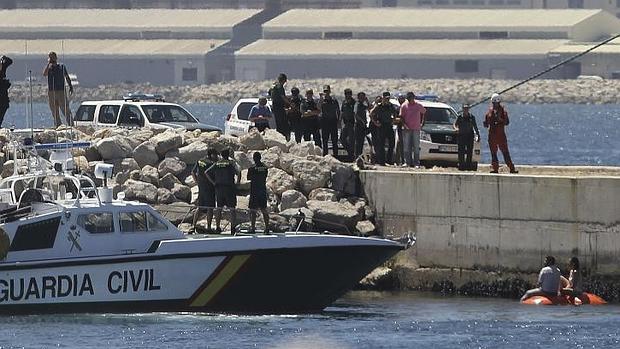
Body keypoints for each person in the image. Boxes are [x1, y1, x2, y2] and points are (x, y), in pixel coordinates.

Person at [484, 93, 517, 174]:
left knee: (505, 152)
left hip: (499, 135)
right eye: (494, 103)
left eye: (496, 103)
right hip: (493, 135)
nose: (495, 104)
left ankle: (511, 168)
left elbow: (506, 122)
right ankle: (496, 168)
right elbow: (486, 123)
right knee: (494, 153)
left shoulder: (502, 112)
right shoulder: (490, 112)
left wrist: (500, 119)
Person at [43, 51, 74, 128]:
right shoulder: (49, 68)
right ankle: (58, 125)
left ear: (56, 58)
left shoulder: (61, 66)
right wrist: (48, 64)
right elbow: (44, 74)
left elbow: (67, 77)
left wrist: (70, 86)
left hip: (61, 90)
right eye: (50, 57)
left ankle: (71, 125)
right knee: (54, 110)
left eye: (52, 57)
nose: (51, 59)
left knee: (65, 109)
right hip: (51, 91)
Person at [191, 148, 218, 234]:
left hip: (201, 188)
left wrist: (197, 182)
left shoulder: (200, 161)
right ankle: (209, 227)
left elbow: (193, 172)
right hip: (210, 188)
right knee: (210, 208)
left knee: (199, 207)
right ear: (212, 155)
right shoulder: (211, 163)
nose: (217, 156)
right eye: (215, 155)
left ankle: (193, 226)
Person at [213, 148, 241, 234]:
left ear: (221, 155)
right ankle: (233, 228)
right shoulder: (231, 163)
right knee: (232, 208)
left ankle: (217, 227)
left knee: (219, 208)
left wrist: (213, 182)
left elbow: (207, 172)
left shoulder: (217, 163)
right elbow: (238, 172)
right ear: (228, 155)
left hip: (219, 188)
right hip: (229, 188)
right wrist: (238, 183)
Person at [399, 92, 426, 168]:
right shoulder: (404, 106)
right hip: (407, 129)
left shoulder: (418, 105)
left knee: (416, 147)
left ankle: (416, 163)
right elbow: (401, 117)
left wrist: (422, 122)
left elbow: (424, 112)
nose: (411, 99)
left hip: (416, 128)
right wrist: (404, 125)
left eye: (411, 97)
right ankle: (407, 162)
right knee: (407, 147)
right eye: (409, 98)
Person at [370, 92, 397, 165]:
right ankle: (382, 161)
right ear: (383, 98)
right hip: (381, 126)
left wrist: (393, 120)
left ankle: (389, 160)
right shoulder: (379, 106)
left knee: (392, 143)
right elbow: (371, 113)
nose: (387, 99)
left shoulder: (391, 106)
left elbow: (395, 113)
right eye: (386, 98)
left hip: (389, 125)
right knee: (381, 144)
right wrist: (375, 122)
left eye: (388, 98)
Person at [247, 152, 270, 234]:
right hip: (262, 189)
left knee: (253, 210)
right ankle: (267, 228)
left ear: (254, 158)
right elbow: (265, 176)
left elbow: (248, 177)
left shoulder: (252, 168)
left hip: (254, 190)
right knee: (264, 209)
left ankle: (253, 228)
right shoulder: (265, 167)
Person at [454, 104, 480, 171]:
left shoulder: (471, 117)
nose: (465, 110)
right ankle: (461, 165)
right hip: (461, 136)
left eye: (467, 108)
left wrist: (478, 135)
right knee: (461, 151)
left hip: (470, 136)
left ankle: (468, 165)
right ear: (462, 109)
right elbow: (455, 124)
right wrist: (456, 129)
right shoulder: (459, 117)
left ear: (468, 109)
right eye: (464, 108)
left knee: (469, 151)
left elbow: (475, 127)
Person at [319, 85, 340, 157]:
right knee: (325, 140)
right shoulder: (322, 101)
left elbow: (338, 111)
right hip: (325, 122)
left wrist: (338, 121)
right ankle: (325, 156)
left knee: (334, 141)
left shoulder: (334, 100)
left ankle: (336, 156)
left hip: (333, 122)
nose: (326, 93)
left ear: (330, 91)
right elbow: (318, 108)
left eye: (327, 91)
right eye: (325, 91)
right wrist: (321, 99)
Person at [269, 73, 290, 140]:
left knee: (279, 123)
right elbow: (283, 97)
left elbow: (269, 92)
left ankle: (280, 136)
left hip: (275, 105)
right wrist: (289, 103)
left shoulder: (273, 85)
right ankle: (283, 137)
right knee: (283, 123)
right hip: (279, 106)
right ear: (283, 80)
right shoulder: (279, 86)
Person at [340, 88, 356, 161]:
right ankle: (350, 153)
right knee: (342, 139)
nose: (347, 95)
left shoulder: (354, 103)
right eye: (346, 94)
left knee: (351, 141)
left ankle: (351, 156)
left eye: (349, 94)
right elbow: (342, 112)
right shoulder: (344, 102)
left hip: (352, 123)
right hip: (346, 123)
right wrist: (339, 121)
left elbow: (355, 113)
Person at [353, 91, 370, 159]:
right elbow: (355, 114)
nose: (362, 98)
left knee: (361, 142)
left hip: (363, 126)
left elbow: (369, 108)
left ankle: (359, 156)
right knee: (358, 142)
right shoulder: (357, 104)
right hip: (358, 125)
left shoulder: (363, 105)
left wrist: (367, 101)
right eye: (361, 97)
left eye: (363, 97)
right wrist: (362, 121)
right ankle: (357, 157)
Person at [0, 55, 13, 128]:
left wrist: (3, 58)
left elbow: (10, 61)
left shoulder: (3, 67)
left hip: (3, 94)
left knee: (3, 106)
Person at [394, 93, 407, 166]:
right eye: (399, 99)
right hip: (400, 128)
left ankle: (405, 161)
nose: (400, 100)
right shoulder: (397, 108)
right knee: (399, 145)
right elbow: (395, 118)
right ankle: (398, 161)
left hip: (408, 128)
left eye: (402, 99)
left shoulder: (407, 108)